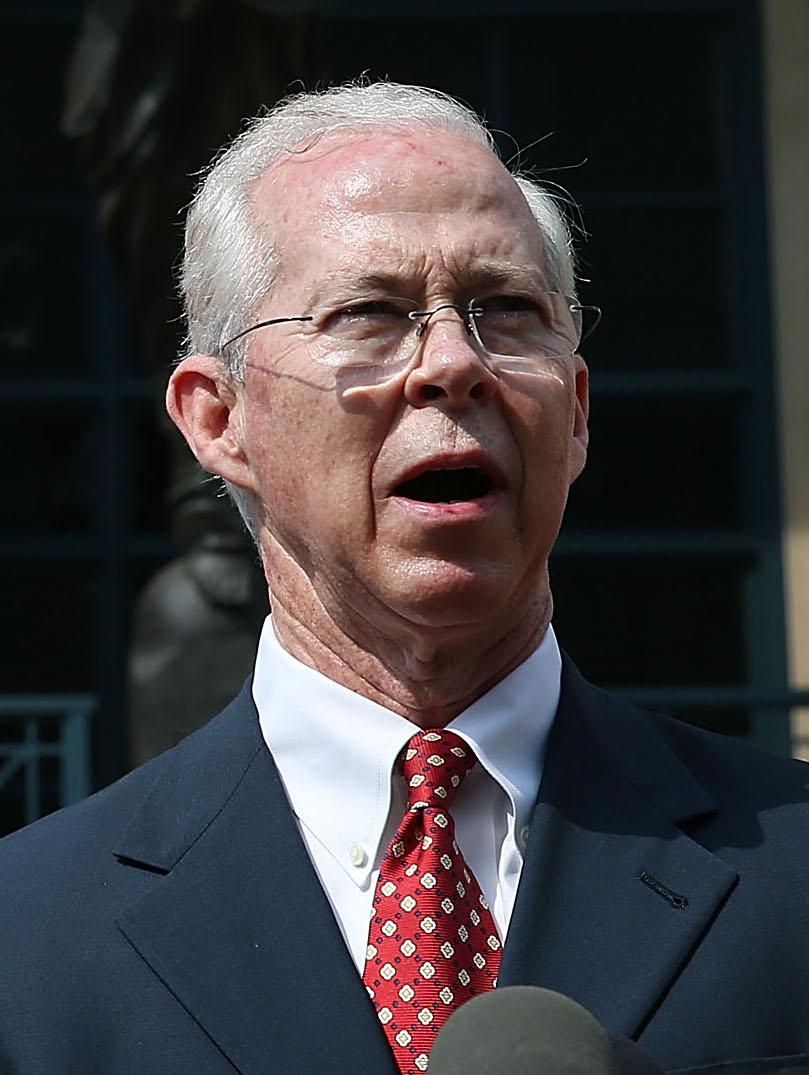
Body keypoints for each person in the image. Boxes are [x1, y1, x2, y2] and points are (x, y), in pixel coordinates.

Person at [1, 81, 808, 1075]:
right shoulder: (27, 936)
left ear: (579, 409)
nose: (454, 363)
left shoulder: (790, 869)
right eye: (370, 313)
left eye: (507, 309)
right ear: (218, 419)